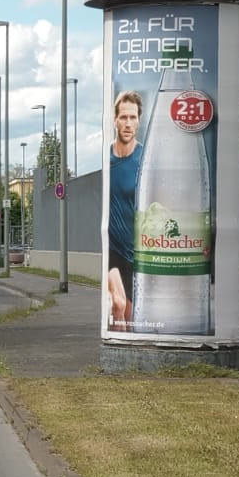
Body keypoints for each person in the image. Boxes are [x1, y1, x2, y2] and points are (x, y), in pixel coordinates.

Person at [106, 90, 143, 328]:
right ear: (115, 120)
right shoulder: (105, 157)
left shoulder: (144, 159)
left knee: (128, 319)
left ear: (138, 120)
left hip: (136, 251)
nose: (128, 124)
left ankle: (123, 347)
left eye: (133, 118)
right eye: (123, 117)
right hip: (112, 247)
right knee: (117, 303)